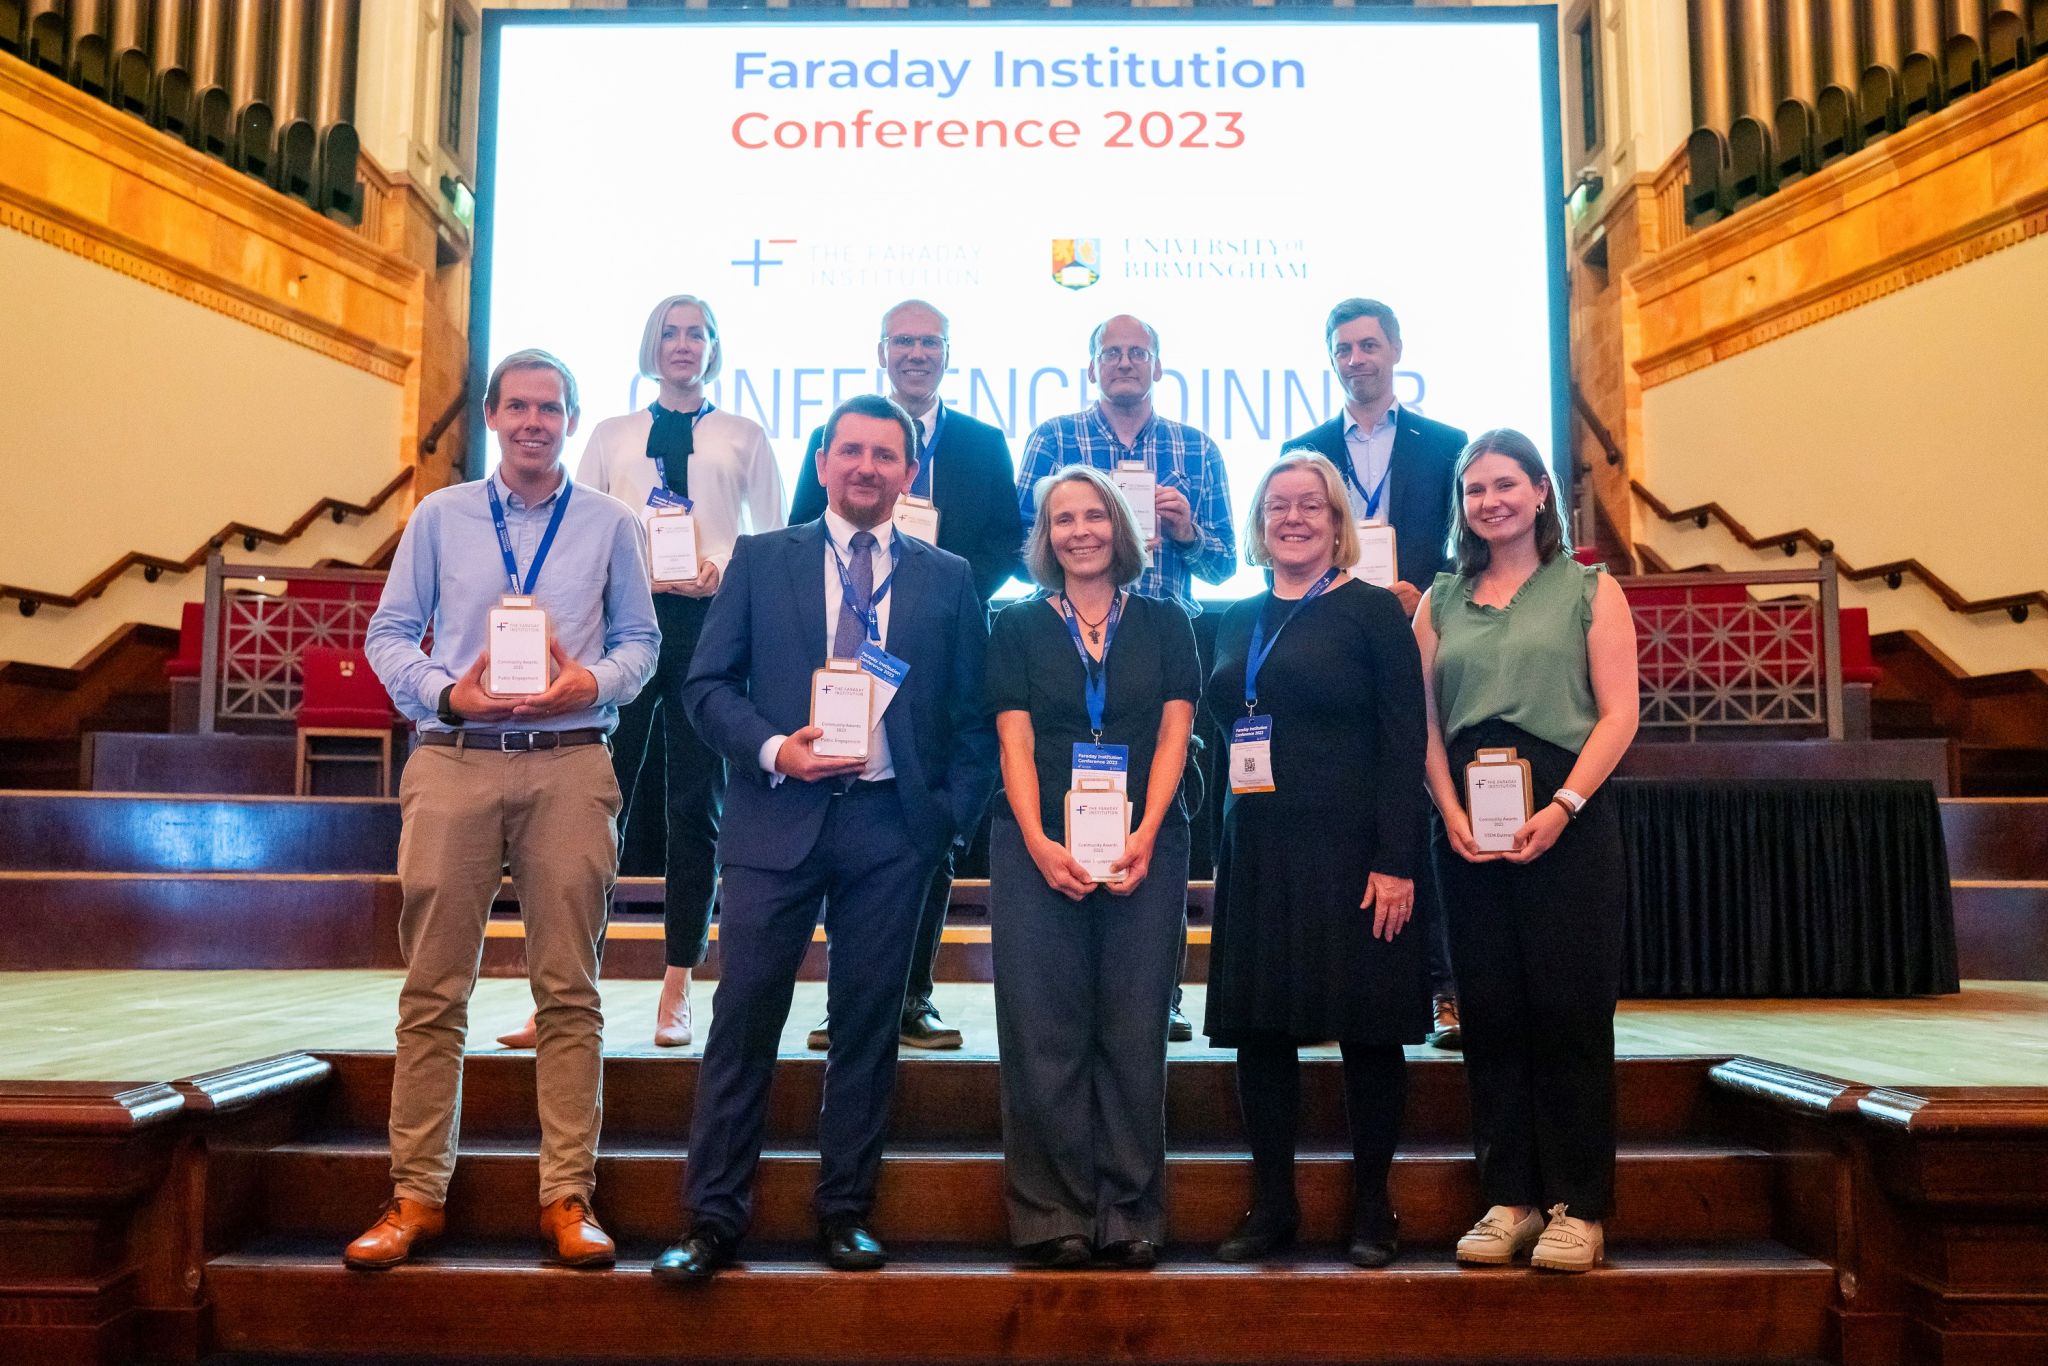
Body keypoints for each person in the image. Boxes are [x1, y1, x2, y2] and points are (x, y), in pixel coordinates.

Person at [655, 394, 999, 1283]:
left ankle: (845, 1211)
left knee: (866, 1028)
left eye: (886, 456)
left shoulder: (947, 576)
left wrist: (942, 825)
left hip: (893, 832)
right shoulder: (763, 560)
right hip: (776, 821)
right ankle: (711, 1220)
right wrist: (776, 749)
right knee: (743, 1022)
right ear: (822, 462)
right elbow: (706, 686)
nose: (867, 469)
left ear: (908, 473)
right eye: (851, 451)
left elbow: (972, 720)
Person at [347, 349, 659, 1271]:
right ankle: (415, 1196)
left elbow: (640, 643)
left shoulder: (609, 523)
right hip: (456, 763)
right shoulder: (440, 517)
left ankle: (567, 1196)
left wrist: (587, 682)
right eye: (518, 406)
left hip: (571, 762)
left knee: (570, 992)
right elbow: (390, 635)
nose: (534, 421)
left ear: (570, 419)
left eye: (551, 408)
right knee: (433, 991)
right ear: (492, 416)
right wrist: (450, 697)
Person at [490, 295, 784, 1053]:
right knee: (587, 807)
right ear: (651, 345)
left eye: (697, 333)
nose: (683, 345)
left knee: (695, 807)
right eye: (671, 333)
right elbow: (573, 526)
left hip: (710, 630)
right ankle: (557, 987)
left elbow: (774, 541)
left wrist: (723, 568)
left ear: (714, 347)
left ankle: (679, 985)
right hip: (618, 630)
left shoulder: (744, 434)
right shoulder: (615, 436)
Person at [1412, 428, 1639, 1274]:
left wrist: (1565, 805)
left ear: (1541, 492)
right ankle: (1509, 1197)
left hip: (1566, 814)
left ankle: (1580, 1207)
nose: (1491, 501)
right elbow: (1425, 726)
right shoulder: (1439, 599)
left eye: (1507, 484)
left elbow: (1619, 712)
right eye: (1475, 490)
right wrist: (1447, 810)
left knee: (1571, 1012)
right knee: (1493, 1012)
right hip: (1467, 821)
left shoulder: (1588, 588)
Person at [1200, 450, 1428, 1269]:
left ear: (1337, 523)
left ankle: (1374, 1207)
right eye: (1277, 507)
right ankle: (1274, 1205)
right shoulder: (1236, 615)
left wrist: (1396, 858)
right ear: (1260, 526)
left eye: (1311, 506)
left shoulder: (1373, 612)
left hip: (1356, 856)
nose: (1292, 518)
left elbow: (1406, 742)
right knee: (1263, 1032)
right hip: (1257, 851)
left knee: (1369, 1032)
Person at [791, 299, 1023, 1052]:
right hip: (847, 655)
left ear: (948, 352)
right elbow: (802, 525)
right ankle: (846, 1001)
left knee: (928, 830)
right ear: (881, 351)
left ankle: (915, 995)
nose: (916, 353)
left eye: (930, 342)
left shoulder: (985, 444)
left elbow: (1005, 545)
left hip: (944, 646)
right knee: (843, 823)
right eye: (903, 342)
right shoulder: (843, 436)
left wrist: (938, 595)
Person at [986, 466, 1198, 1268]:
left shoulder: (1169, 620)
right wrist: (1039, 842)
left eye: (1094, 516)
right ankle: (1053, 1215)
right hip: (1037, 841)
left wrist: (1145, 832)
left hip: (1147, 843)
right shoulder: (1013, 626)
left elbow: (1176, 735)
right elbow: (1012, 739)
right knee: (1044, 1029)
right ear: (1045, 537)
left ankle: (1131, 1212)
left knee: (1134, 1026)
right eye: (1062, 519)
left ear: (1121, 528)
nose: (1080, 530)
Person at [1016, 313, 1237, 1041]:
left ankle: (1158, 993)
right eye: (1110, 352)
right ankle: (1080, 995)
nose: (1123, 363)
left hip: (1160, 654)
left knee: (1159, 823)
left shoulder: (1196, 449)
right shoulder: (1051, 440)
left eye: (1137, 352)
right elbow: (1032, 550)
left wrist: (1186, 532)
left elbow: (1226, 564)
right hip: (1066, 656)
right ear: (1090, 367)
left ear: (1158, 365)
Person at [1282, 297, 1468, 1049]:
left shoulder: (1447, 442)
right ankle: (1352, 984)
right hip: (1334, 640)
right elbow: (1294, 543)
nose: (1356, 360)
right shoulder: (1307, 447)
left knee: (1425, 792)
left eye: (1368, 346)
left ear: (1395, 350)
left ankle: (1449, 989)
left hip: (1421, 628)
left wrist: (1422, 591)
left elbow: (1469, 539)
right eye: (1343, 349)